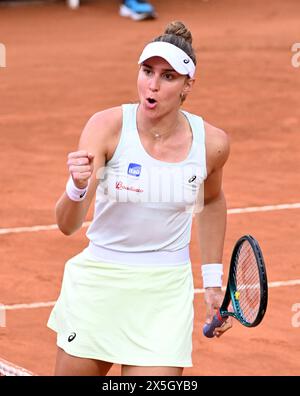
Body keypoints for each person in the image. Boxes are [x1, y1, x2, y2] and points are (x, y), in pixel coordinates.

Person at [47, 20, 232, 376]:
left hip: (163, 295)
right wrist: (77, 186)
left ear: (187, 85)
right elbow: (67, 224)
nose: (153, 84)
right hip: (98, 287)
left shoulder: (212, 143)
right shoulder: (107, 127)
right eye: (148, 71)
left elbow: (210, 201)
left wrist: (212, 281)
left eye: (168, 77)